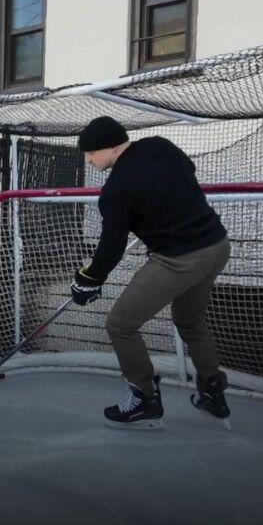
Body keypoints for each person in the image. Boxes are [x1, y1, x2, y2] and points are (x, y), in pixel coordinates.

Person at [68, 116, 232, 429]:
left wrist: (89, 280)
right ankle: (212, 391)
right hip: (217, 247)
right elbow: (187, 172)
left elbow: (112, 246)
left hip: (178, 259)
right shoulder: (160, 146)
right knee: (190, 321)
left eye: (91, 153)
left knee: (120, 325)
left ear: (111, 147)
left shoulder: (117, 188)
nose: (88, 160)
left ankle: (144, 398)